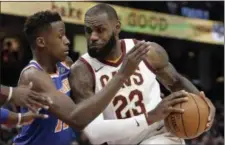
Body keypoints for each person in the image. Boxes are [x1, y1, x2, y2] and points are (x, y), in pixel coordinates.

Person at [69, 4, 216, 145]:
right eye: (88, 31)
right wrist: (150, 117)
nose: (93, 37)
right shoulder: (82, 71)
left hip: (160, 135)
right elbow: (94, 134)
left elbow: (176, 82)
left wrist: (204, 102)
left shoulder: (148, 52)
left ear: (117, 28)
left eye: (100, 30)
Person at [13, 10, 156, 145]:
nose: (67, 41)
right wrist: (122, 75)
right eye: (60, 36)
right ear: (41, 42)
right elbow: (77, 118)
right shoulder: (33, 76)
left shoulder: (66, 64)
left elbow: (89, 97)